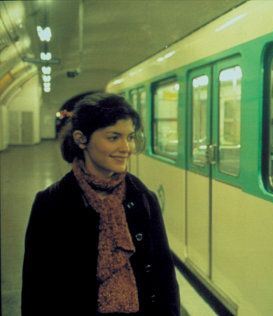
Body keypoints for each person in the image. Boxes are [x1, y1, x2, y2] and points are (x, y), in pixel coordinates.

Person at [22, 93, 180, 316]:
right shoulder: (51, 203)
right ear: (81, 139)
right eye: (114, 137)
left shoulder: (143, 198)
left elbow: (164, 276)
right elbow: (36, 289)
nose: (127, 148)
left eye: (130, 137)